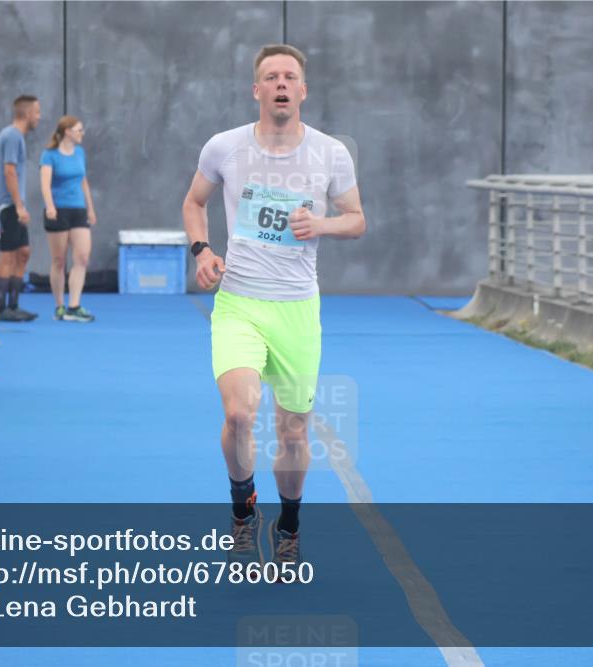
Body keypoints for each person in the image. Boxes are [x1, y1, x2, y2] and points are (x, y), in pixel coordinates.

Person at [181, 45, 366, 570]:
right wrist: (202, 250)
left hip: (296, 309)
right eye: (271, 76)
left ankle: (289, 524)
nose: (281, 83)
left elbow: (356, 218)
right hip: (238, 301)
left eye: (290, 76)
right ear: (256, 90)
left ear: (303, 90)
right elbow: (193, 202)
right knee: (239, 414)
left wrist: (323, 224)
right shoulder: (225, 147)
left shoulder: (331, 153)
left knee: (292, 430)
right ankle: (243, 511)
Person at [40, 116, 96, 322]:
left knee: (82, 257)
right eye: (78, 130)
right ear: (67, 132)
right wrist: (50, 206)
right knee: (59, 260)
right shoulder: (49, 155)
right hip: (58, 210)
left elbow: (83, 181)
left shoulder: (80, 153)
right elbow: (45, 184)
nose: (82, 133)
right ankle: (59, 305)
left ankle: (74, 304)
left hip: (78, 210)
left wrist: (90, 208)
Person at [0, 94, 41, 322]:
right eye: (37, 112)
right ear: (28, 113)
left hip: (15, 205)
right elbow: (9, 171)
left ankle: (14, 304)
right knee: (8, 256)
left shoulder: (17, 137)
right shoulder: (12, 136)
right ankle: (2, 309)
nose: (39, 117)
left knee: (23, 253)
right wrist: (19, 206)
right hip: (8, 206)